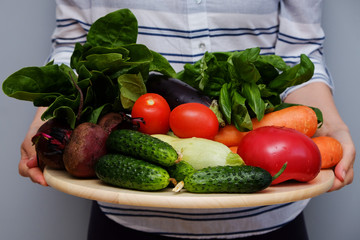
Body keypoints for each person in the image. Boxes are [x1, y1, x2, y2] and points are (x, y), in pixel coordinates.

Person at [18, 1, 355, 239]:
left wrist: (333, 128)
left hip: (269, 212)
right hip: (127, 214)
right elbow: (74, 47)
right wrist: (47, 122)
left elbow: (300, 56)